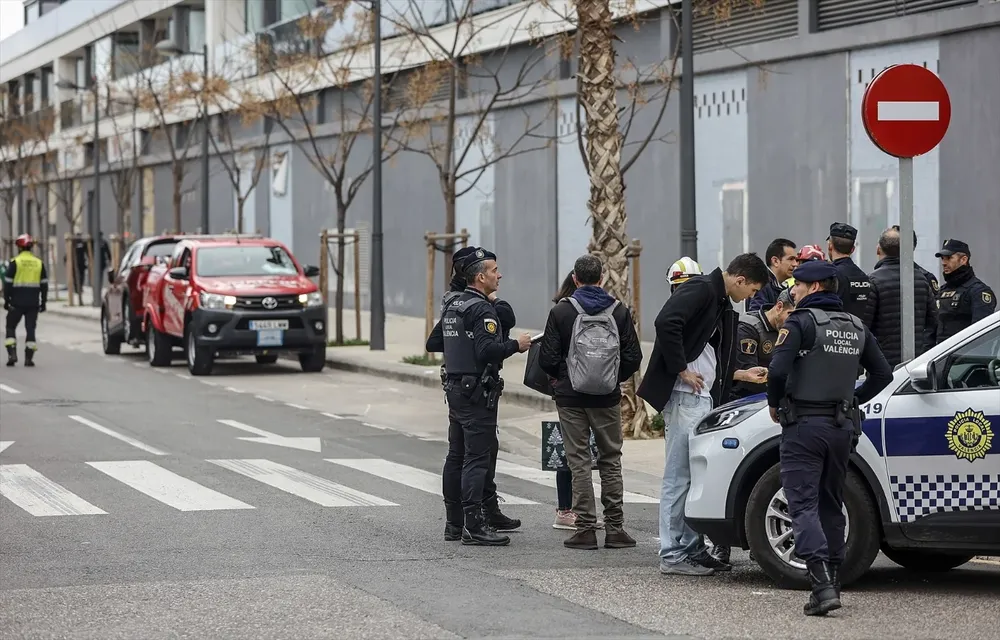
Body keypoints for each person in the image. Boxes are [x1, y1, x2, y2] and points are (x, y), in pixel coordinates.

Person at [766, 260, 893, 616]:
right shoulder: (856, 326)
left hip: (804, 426)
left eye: (799, 286)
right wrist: (851, 400)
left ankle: (821, 586)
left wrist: (775, 405)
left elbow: (777, 370)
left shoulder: (800, 322)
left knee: (802, 504)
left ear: (815, 287)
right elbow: (882, 374)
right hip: (841, 428)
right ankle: (833, 581)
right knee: (830, 503)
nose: (794, 291)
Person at [638, 253, 771, 576]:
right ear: (740, 280)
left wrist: (738, 375)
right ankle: (673, 553)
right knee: (680, 475)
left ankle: (691, 547)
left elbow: (708, 352)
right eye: (751, 291)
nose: (750, 298)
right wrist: (681, 369)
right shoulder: (702, 290)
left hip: (698, 396)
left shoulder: (717, 298)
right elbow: (666, 322)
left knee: (692, 475)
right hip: (686, 397)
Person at [538, 254, 643, 550]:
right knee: (611, 459)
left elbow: (547, 358)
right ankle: (615, 529)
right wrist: (611, 378)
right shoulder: (619, 311)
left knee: (579, 461)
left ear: (574, 279)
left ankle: (584, 529)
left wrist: (564, 377)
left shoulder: (561, 312)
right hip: (607, 398)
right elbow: (634, 357)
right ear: (602, 279)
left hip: (571, 398)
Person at [432, 248, 532, 545]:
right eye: (494, 270)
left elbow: (433, 342)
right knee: (477, 458)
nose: (498, 275)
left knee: (456, 456)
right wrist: (517, 344)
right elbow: (487, 350)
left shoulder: (454, 305)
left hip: (455, 387)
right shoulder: (480, 308)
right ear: (480, 276)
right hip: (476, 391)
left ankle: (454, 525)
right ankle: (475, 526)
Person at [862, 227, 937, 368]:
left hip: (882, 361)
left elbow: (865, 325)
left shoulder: (873, 280)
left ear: (879, 249)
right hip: (916, 361)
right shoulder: (921, 279)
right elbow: (933, 320)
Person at [549, 271, 582, 531]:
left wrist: (558, 380)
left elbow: (548, 356)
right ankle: (571, 509)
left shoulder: (560, 311)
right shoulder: (607, 309)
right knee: (582, 454)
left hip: (566, 390)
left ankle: (567, 509)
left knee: (569, 451)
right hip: (596, 391)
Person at [934, 239, 997, 344]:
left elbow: (980, 334)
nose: (944, 263)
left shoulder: (978, 291)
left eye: (949, 258)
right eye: (942, 259)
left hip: (965, 357)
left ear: (963, 260)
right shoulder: (942, 291)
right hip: (941, 356)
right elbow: (932, 329)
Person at [3, 234, 48, 367]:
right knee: (30, 329)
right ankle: (29, 359)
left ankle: (12, 354)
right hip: (33, 303)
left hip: (16, 302)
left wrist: (6, 300)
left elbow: (8, 284)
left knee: (10, 327)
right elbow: (44, 285)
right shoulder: (39, 263)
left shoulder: (15, 262)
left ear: (19, 247)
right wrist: (43, 302)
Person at [825, 222, 870, 321]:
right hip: (860, 333)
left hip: (835, 333)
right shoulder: (864, 277)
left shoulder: (830, 275)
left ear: (830, 246)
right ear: (852, 249)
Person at [747, 239, 798, 312]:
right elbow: (756, 316)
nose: (795, 264)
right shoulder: (762, 284)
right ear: (775, 261)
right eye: (791, 259)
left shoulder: (781, 286)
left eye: (796, 260)